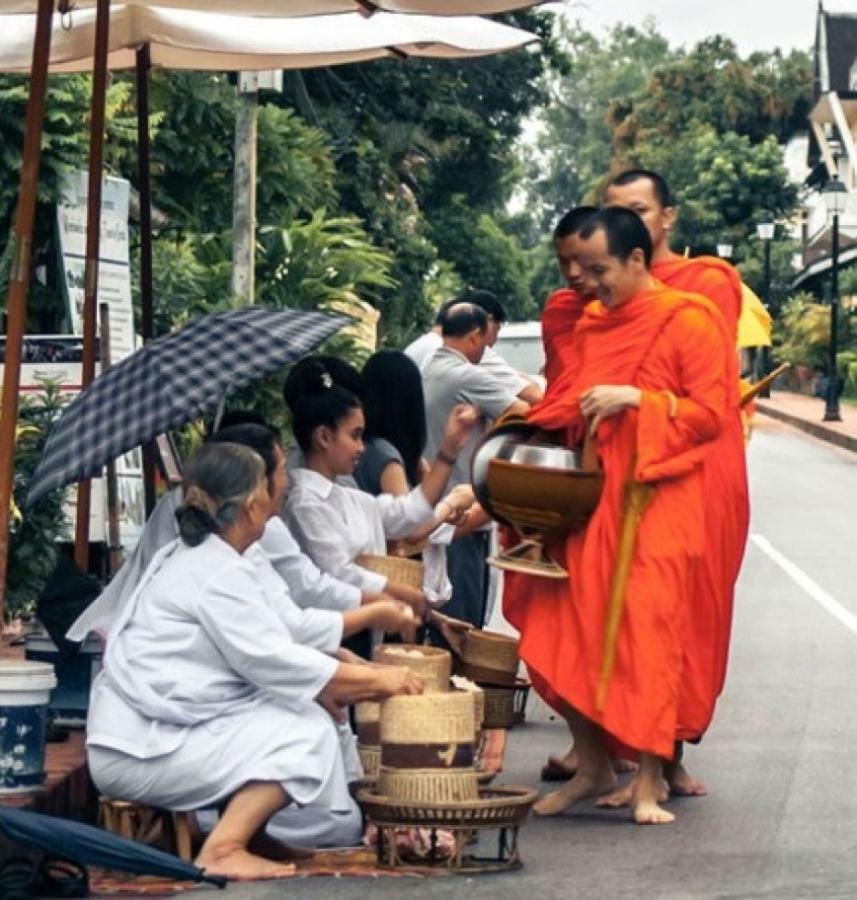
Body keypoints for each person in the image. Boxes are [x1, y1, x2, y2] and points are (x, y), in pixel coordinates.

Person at [86, 442, 423, 880]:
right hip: (139, 747)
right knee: (307, 732)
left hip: (152, 732)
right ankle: (223, 847)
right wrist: (381, 682)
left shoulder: (214, 558)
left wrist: (343, 674)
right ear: (249, 506)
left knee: (299, 713)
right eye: (268, 485)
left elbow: (272, 644)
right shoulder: (214, 570)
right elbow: (276, 661)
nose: (276, 494)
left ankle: (251, 834)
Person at [507, 207, 733, 824]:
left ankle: (648, 782)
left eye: (598, 268)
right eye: (579, 268)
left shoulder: (690, 319)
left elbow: (711, 414)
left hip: (661, 498)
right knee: (561, 623)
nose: (588, 280)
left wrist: (641, 398)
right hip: (596, 495)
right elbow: (569, 406)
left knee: (650, 632)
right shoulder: (594, 325)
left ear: (636, 260)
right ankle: (593, 762)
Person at [604, 169, 750, 799]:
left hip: (699, 463)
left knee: (688, 610)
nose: (629, 220)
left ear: (667, 218)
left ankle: (668, 750)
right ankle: (616, 747)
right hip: (624, 466)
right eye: (616, 211)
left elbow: (706, 384)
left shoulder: (707, 283)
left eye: (639, 209)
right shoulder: (600, 289)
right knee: (617, 607)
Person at [284, 358, 477, 617]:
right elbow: (340, 573)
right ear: (324, 437)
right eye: (355, 436)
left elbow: (408, 512)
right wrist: (402, 593)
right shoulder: (304, 502)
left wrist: (449, 452)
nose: (362, 447)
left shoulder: (350, 497)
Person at [422, 303, 530, 630]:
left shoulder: (429, 367)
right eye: (486, 341)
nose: (488, 350)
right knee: (463, 626)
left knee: (443, 617)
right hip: (463, 513)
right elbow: (525, 411)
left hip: (435, 506)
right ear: (473, 336)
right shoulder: (466, 374)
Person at [405, 290, 544, 405]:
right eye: (497, 330)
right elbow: (533, 397)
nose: (494, 341)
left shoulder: (416, 348)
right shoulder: (469, 353)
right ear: (486, 321)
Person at [542, 205, 598, 386]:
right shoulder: (560, 307)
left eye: (581, 259)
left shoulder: (636, 307)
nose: (572, 272)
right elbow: (560, 378)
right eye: (564, 262)